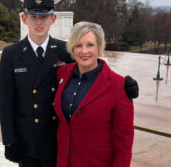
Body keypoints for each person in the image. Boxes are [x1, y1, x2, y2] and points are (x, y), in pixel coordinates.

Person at [0, 0, 138, 166]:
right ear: (24, 18)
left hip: (57, 144)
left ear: (53, 19)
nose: (38, 22)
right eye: (33, 16)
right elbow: (6, 103)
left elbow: (89, 64)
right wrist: (9, 140)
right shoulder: (11, 54)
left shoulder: (65, 51)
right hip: (27, 143)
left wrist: (126, 85)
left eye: (44, 17)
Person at [54, 22, 134, 167]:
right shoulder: (62, 73)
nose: (84, 51)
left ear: (99, 47)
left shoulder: (119, 86)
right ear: (72, 48)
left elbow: (124, 144)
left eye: (90, 45)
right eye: (78, 45)